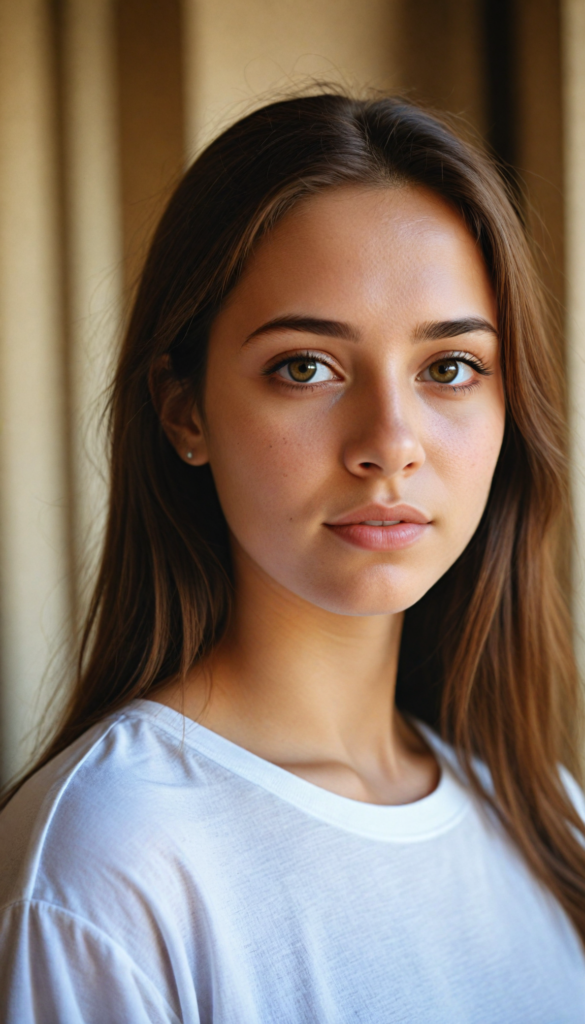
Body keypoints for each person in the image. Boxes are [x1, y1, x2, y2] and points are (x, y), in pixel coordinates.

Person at [1, 91, 584, 1023]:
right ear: (184, 410)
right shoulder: (109, 860)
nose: (390, 442)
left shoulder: (546, 817)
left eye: (449, 368)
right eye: (305, 366)